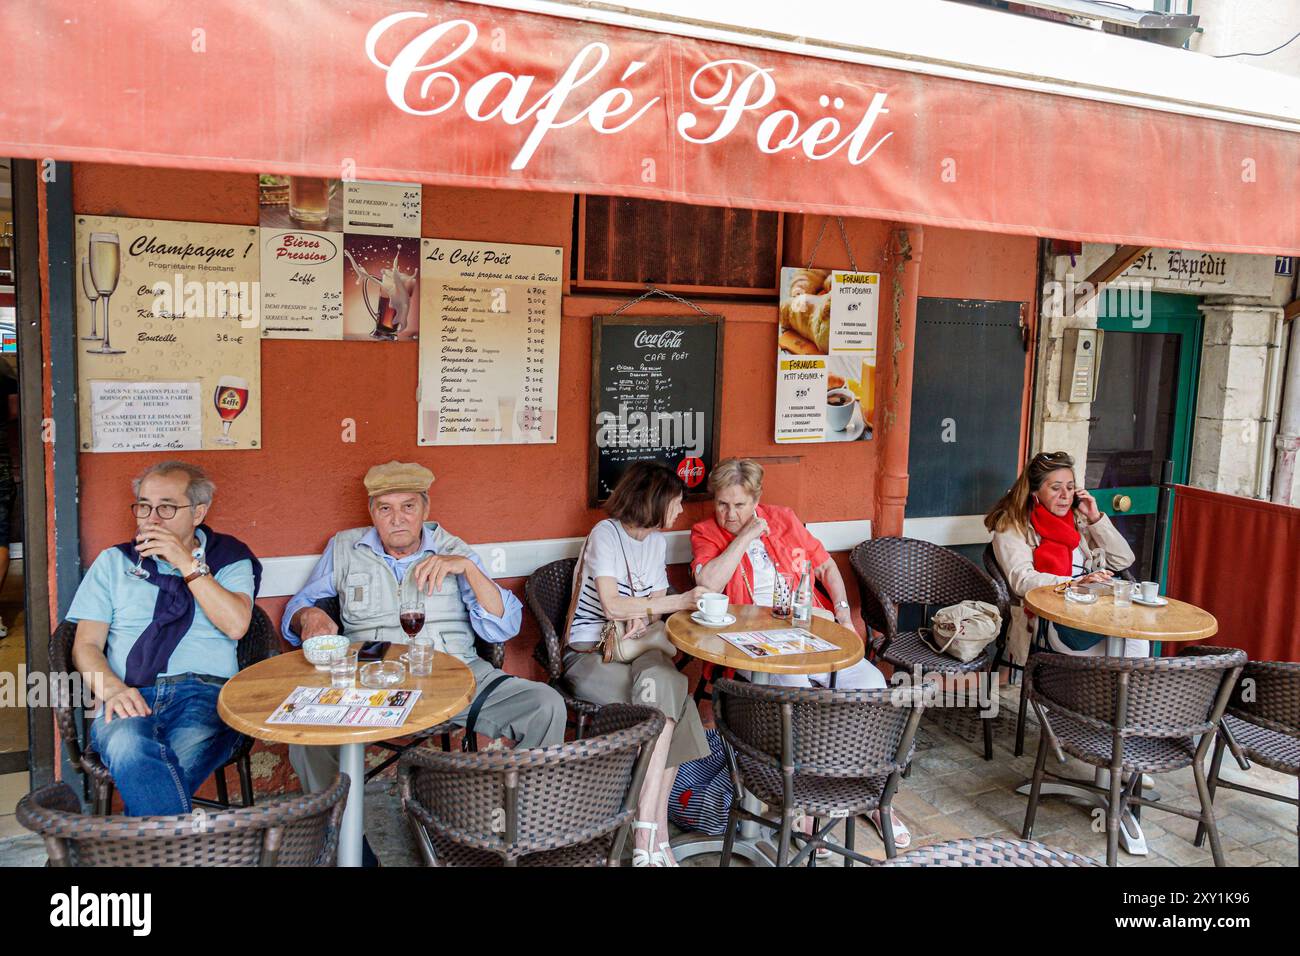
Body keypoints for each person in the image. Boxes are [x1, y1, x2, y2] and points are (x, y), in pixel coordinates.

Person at [283, 461, 566, 799]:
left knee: (545, 705)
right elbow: (297, 607)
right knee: (306, 737)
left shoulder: (453, 549)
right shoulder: (344, 548)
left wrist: (469, 570)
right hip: (370, 684)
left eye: (408, 507)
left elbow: (504, 626)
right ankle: (344, 842)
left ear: (425, 509)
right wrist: (308, 614)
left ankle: (521, 821)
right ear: (371, 512)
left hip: (456, 678)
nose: (397, 518)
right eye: (385, 508)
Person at [690, 457, 905, 848]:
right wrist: (745, 535)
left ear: (757, 498)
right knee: (797, 689)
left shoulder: (785, 519)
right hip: (751, 648)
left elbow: (825, 568)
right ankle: (801, 800)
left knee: (872, 683)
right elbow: (707, 583)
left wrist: (843, 617)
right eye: (722, 503)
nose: (729, 513)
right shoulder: (706, 532)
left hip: (807, 633)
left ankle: (868, 792)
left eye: (739, 505)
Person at [68, 461, 260, 815]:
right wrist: (113, 690)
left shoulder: (230, 558)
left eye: (167, 507)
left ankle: (138, 846)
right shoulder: (113, 562)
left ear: (199, 512)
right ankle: (166, 848)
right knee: (128, 746)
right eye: (143, 505)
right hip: (128, 693)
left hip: (207, 695)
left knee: (159, 772)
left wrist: (187, 563)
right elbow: (86, 645)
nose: (151, 518)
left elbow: (236, 625)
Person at [564, 461, 711, 867]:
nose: (680, 511)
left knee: (666, 688)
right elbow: (611, 603)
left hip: (638, 647)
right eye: (677, 503)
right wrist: (675, 602)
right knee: (673, 700)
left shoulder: (657, 543)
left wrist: (643, 614)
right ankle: (655, 834)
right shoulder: (605, 535)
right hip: (593, 653)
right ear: (656, 501)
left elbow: (653, 608)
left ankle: (647, 831)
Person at [986, 450, 1147, 660]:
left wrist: (1095, 517)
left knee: (1137, 633)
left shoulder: (1078, 520)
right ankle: (1114, 690)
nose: (1065, 495)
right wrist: (1074, 583)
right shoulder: (1012, 525)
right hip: (1051, 617)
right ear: (1034, 491)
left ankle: (1121, 691)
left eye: (1070, 488)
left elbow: (1123, 560)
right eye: (1055, 488)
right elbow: (1022, 580)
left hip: (1092, 607)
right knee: (1127, 643)